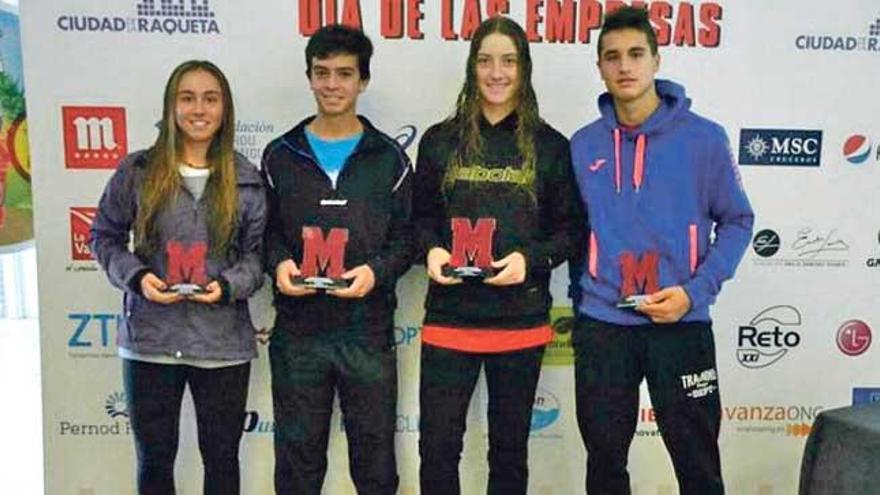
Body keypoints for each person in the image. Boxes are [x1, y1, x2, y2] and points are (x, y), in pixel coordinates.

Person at [569, 6, 755, 495]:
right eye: (612, 57)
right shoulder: (583, 146)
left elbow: (738, 221)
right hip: (604, 327)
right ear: (600, 67)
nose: (624, 66)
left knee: (697, 464)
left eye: (635, 54)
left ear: (656, 60)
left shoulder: (705, 139)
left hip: (682, 323)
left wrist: (694, 294)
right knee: (605, 464)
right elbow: (571, 232)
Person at [413, 16, 584, 495]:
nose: (496, 72)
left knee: (509, 453)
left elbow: (571, 233)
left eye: (508, 61)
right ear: (472, 67)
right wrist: (429, 251)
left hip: (519, 322)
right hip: (449, 319)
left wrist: (528, 262)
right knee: (438, 449)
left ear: (524, 69)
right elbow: (418, 221)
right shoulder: (438, 141)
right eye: (485, 60)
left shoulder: (551, 147)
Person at [90, 60, 267, 495]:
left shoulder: (247, 179)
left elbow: (257, 257)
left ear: (225, 108)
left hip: (222, 344)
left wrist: (227, 286)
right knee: (154, 460)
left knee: (222, 461)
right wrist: (137, 278)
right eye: (187, 98)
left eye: (210, 98)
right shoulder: (137, 171)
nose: (198, 109)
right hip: (151, 341)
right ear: (170, 106)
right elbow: (104, 237)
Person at [261, 24, 412, 495]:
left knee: (375, 466)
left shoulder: (389, 158)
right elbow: (263, 234)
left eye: (344, 74)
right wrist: (280, 265)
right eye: (322, 73)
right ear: (309, 77)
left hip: (365, 331)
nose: (332, 84)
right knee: (297, 465)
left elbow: (408, 240)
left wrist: (375, 272)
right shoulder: (279, 155)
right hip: (298, 332)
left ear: (362, 81)